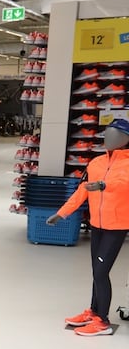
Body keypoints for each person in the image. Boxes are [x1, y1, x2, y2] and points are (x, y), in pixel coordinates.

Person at [47, 118, 129, 336]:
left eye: (115, 134)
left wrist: (104, 185)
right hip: (97, 225)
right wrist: (61, 213)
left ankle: (102, 321)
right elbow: (82, 191)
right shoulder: (96, 163)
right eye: (107, 133)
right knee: (96, 271)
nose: (108, 138)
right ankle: (93, 311)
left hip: (117, 226)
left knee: (101, 272)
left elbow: (124, 183)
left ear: (125, 139)